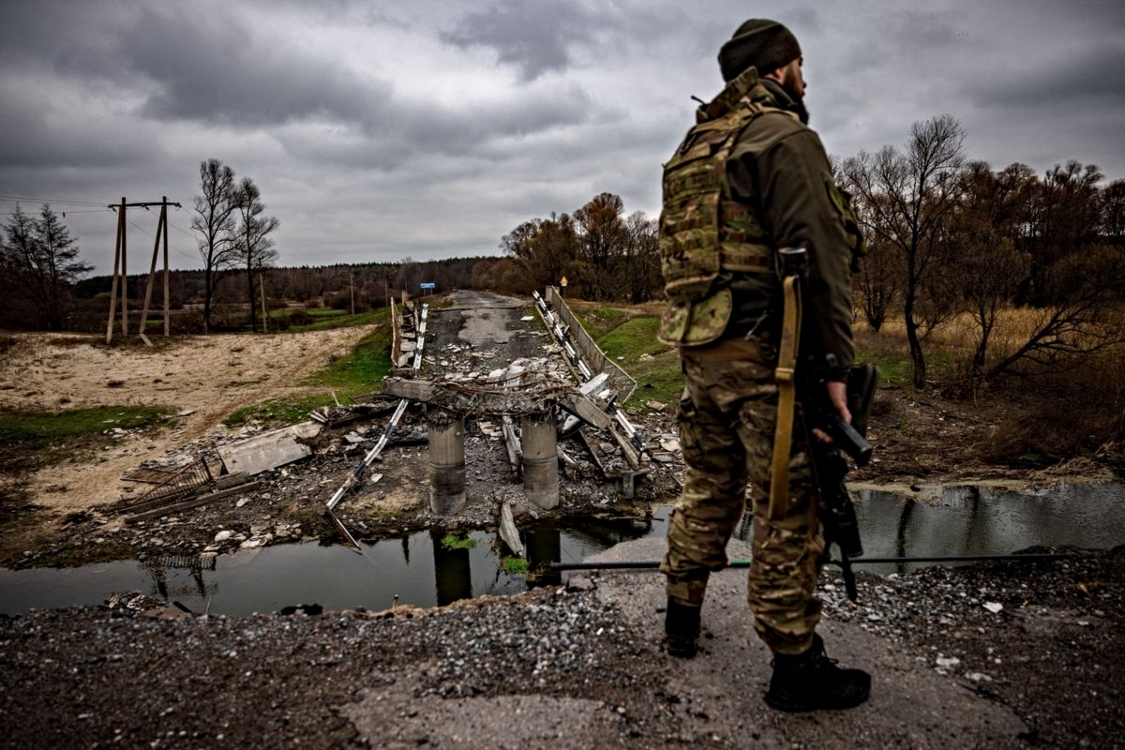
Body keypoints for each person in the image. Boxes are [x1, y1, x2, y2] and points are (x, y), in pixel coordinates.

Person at [656, 19, 869, 712]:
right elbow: (823, 257)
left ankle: (680, 618)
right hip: (766, 359)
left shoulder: (692, 149)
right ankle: (794, 667)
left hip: (700, 352)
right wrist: (833, 365)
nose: (806, 80)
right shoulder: (781, 138)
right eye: (801, 66)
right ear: (781, 70)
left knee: (709, 485)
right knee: (785, 504)